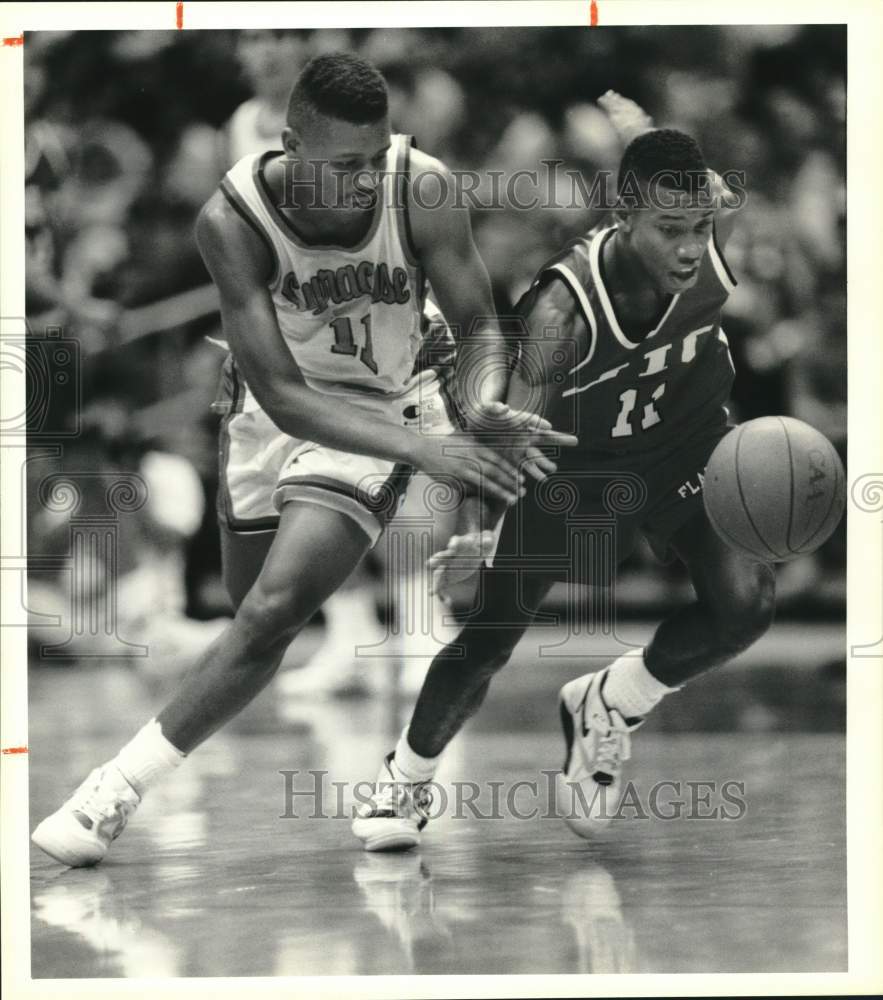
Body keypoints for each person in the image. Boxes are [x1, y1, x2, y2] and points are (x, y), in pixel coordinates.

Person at [31, 52, 575, 868]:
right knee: (253, 611)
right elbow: (282, 394)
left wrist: (485, 397)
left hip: (383, 400)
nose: (364, 182)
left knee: (270, 613)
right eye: (344, 166)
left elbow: (477, 322)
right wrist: (427, 450)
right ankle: (347, 659)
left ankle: (112, 790)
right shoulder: (230, 220)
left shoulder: (420, 187)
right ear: (291, 144)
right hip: (271, 407)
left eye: (375, 158)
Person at [352, 94, 776, 852]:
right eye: (668, 231)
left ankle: (610, 705)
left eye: (698, 228)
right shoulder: (561, 312)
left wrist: (643, 136)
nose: (689, 248)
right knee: (486, 640)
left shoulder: (704, 229)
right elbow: (514, 433)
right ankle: (404, 781)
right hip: (575, 472)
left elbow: (690, 184)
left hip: (688, 447)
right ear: (623, 217)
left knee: (744, 606)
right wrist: (484, 534)